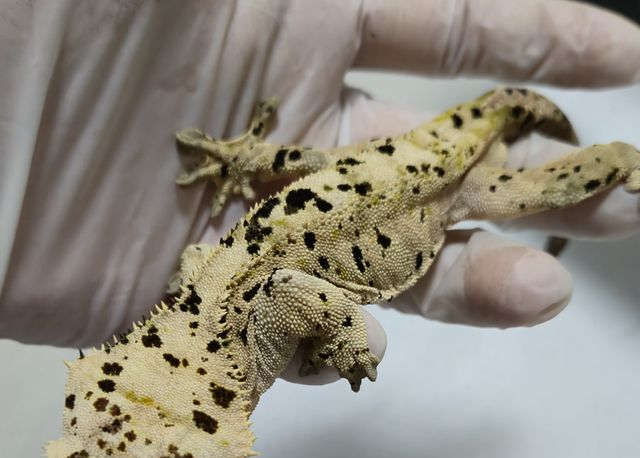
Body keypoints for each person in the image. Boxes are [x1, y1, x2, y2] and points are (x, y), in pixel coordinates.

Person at [0, 0, 638, 382]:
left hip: (439, 185)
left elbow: (245, 277)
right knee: (322, 170)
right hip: (362, 181)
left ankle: (619, 159)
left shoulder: (243, 302)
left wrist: (343, 340)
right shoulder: (219, 292)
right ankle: (252, 160)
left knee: (538, 195)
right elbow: (200, 261)